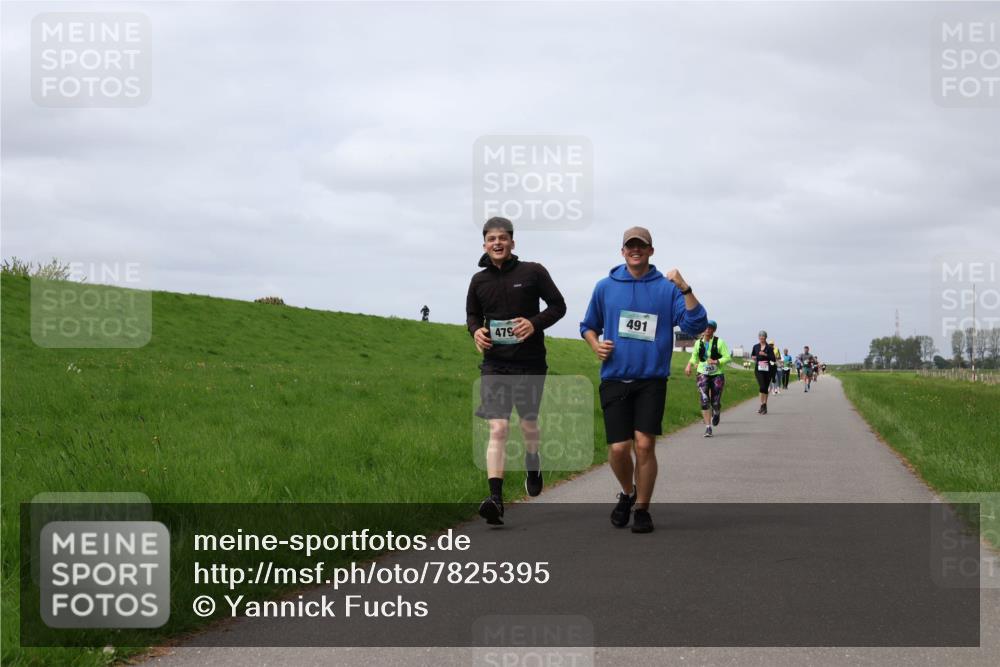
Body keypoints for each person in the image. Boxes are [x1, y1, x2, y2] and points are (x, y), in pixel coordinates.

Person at [581, 226, 707, 533]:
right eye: (630, 246)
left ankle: (642, 509)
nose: (635, 250)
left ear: (651, 251)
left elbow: (696, 322)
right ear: (622, 251)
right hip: (614, 377)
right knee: (619, 449)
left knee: (645, 445)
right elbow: (588, 326)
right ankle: (628, 491)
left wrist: (685, 287)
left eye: (641, 246)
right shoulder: (605, 287)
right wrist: (596, 345)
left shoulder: (666, 289)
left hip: (651, 379)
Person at [466, 217, 566, 525]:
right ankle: (495, 499)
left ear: (512, 242)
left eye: (503, 238)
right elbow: (473, 314)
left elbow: (558, 306)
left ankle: (532, 462)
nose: (497, 243)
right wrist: (475, 332)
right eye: (491, 239)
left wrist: (533, 323)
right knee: (498, 429)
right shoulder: (478, 280)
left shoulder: (533, 272)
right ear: (484, 245)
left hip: (530, 363)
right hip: (495, 364)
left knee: (528, 426)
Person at [684, 320, 731, 438]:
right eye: (705, 328)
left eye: (710, 328)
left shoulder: (719, 342)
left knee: (715, 401)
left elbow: (727, 357)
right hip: (702, 373)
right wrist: (689, 365)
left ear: (713, 330)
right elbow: (694, 357)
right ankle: (708, 427)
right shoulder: (698, 343)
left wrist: (717, 361)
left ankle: (717, 411)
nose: (707, 330)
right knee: (704, 400)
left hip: (717, 374)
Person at [750, 330, 776, 414]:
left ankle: (764, 405)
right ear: (758, 337)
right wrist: (754, 358)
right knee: (762, 386)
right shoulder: (755, 346)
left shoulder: (769, 348)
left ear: (766, 337)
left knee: (765, 387)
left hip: (767, 369)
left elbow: (773, 359)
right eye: (760, 336)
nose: (762, 337)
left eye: (763, 336)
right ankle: (762, 404)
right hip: (758, 369)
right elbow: (753, 355)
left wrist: (765, 355)